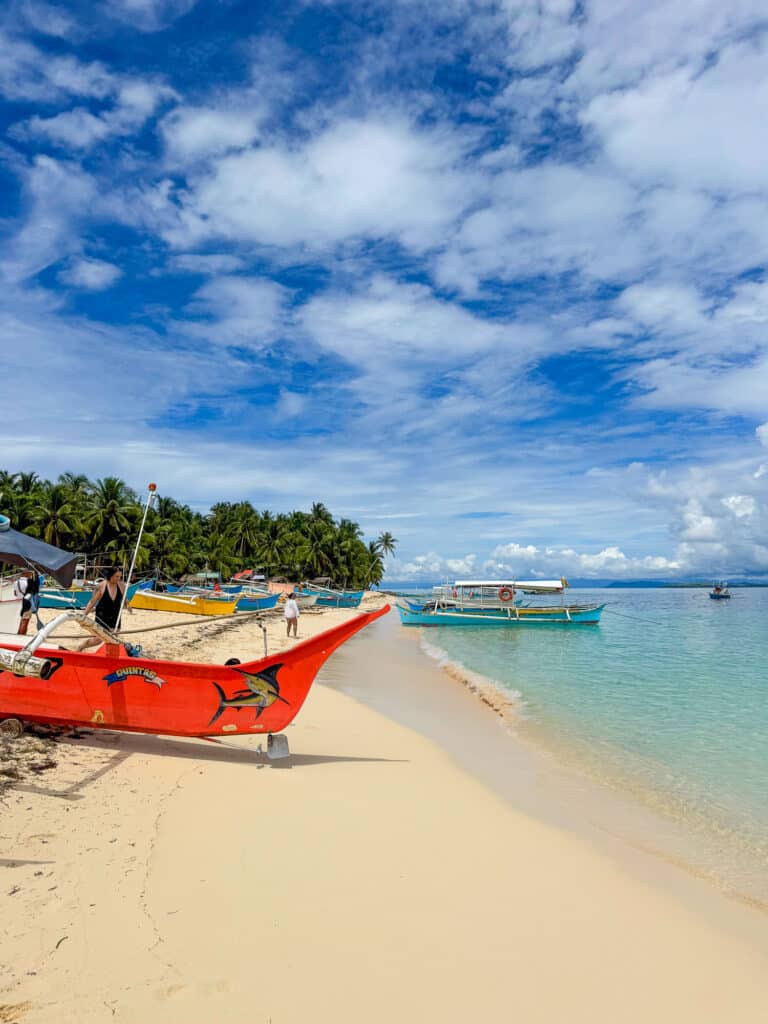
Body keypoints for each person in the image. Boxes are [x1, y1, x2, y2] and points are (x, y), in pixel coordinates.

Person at [79, 566, 127, 649]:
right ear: (110, 576)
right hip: (102, 615)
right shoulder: (101, 586)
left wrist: (128, 605)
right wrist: (84, 615)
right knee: (97, 640)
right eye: (117, 576)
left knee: (113, 639)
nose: (119, 578)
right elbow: (92, 602)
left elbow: (124, 598)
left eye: (120, 576)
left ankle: (110, 658)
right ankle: (81, 646)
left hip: (115, 615)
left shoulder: (122, 586)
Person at [13, 569, 39, 636]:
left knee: (20, 621)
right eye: (30, 573)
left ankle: (18, 634)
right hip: (27, 603)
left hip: (18, 603)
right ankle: (22, 636)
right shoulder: (29, 581)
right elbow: (35, 590)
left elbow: (15, 593)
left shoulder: (16, 582)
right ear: (26, 573)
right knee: (25, 621)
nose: (31, 575)